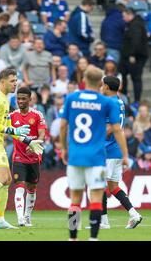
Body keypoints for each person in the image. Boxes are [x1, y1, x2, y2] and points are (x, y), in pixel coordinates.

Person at [60, 65, 129, 241]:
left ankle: (73, 237)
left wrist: (64, 148)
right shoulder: (106, 102)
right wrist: (126, 154)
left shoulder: (71, 98)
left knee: (75, 200)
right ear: (100, 82)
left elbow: (62, 125)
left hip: (76, 155)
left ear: (83, 79)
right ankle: (93, 238)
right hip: (97, 157)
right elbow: (117, 130)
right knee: (97, 198)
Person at [0, 68, 44, 229]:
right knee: (2, 178)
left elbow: (9, 127)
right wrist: (11, 130)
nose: (15, 83)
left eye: (16, 80)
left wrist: (28, 141)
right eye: (13, 81)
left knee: (7, 180)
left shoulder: (5, 99)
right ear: (3, 81)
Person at [100, 76, 142, 229]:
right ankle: (134, 214)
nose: (101, 88)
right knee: (113, 187)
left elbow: (111, 127)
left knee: (98, 185)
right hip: (116, 150)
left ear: (106, 87)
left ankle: (103, 222)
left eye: (102, 85)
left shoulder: (110, 102)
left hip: (108, 150)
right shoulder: (120, 102)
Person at [10, 86, 47, 227]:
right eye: (18, 98)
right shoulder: (12, 116)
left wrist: (35, 143)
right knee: (19, 187)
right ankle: (20, 219)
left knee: (32, 188)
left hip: (34, 158)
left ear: (30, 99)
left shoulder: (37, 115)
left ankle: (27, 216)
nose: (20, 101)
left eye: (23, 98)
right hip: (18, 158)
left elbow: (42, 133)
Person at [119, 8, 149, 103]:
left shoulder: (135, 25)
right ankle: (125, 97)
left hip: (135, 57)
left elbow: (136, 41)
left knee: (136, 78)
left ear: (129, 15)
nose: (123, 18)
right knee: (123, 75)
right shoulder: (133, 24)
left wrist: (132, 54)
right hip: (129, 56)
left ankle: (136, 100)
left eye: (124, 16)